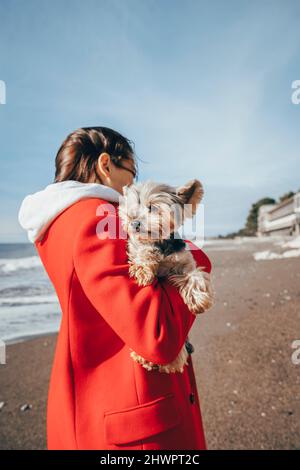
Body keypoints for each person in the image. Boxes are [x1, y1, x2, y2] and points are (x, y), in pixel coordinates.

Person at [18, 126, 212, 450]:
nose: (133, 186)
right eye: (131, 173)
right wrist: (193, 256)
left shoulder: (55, 223)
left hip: (89, 393)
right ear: (105, 165)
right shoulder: (100, 217)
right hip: (135, 419)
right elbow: (157, 335)